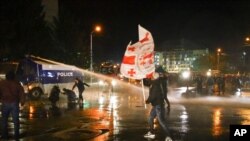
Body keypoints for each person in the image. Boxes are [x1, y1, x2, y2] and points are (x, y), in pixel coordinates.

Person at [144, 72, 172, 141]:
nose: (151, 77)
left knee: (161, 121)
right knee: (150, 118)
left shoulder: (155, 85)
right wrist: (144, 78)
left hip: (158, 105)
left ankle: (169, 136)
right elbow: (148, 83)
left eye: (151, 77)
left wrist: (147, 101)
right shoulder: (156, 82)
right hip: (156, 105)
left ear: (153, 77)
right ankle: (151, 132)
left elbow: (153, 96)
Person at [0, 70, 25, 140]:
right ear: (14, 77)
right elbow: (21, 93)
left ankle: (4, 136)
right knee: (16, 121)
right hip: (14, 103)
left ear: (6, 76)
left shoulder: (2, 83)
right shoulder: (17, 83)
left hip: (5, 103)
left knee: (4, 121)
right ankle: (16, 136)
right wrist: (22, 102)